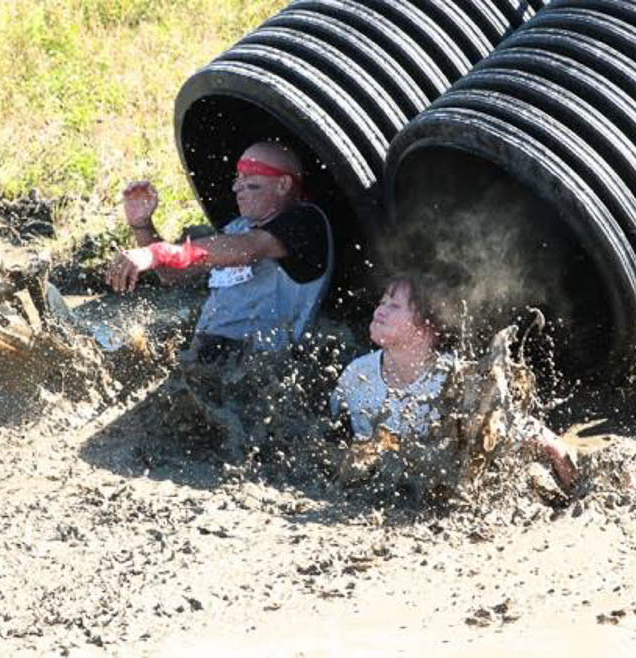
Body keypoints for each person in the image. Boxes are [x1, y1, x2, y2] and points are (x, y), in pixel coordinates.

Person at [330, 272, 578, 487]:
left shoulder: (455, 379)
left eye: (394, 306)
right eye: (382, 301)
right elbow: (331, 437)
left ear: (427, 325)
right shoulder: (357, 374)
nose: (380, 310)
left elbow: (515, 426)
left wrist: (564, 464)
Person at [105, 141, 333, 361]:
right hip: (212, 357)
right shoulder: (237, 228)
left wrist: (156, 253)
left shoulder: (305, 222)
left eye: (249, 177)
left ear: (283, 184)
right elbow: (171, 274)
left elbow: (249, 248)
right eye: (237, 178)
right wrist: (142, 226)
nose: (236, 187)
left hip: (263, 366)